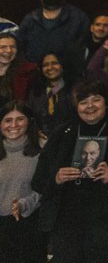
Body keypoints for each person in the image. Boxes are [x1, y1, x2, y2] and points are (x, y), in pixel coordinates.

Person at [32, 79, 108, 263]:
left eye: (96, 99)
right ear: (76, 106)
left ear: (106, 102)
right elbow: (38, 181)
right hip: (67, 225)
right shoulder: (62, 133)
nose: (90, 106)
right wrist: (56, 178)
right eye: (83, 101)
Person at [0, 102, 45, 263]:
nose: (13, 125)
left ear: (29, 122)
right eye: (7, 120)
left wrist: (23, 204)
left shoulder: (42, 149)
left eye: (20, 119)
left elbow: (46, 189)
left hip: (29, 225)